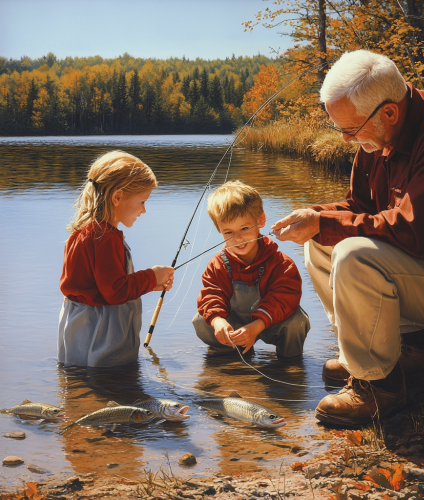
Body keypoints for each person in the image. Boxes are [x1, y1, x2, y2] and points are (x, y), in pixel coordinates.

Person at [272, 50, 424, 426]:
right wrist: (315, 216)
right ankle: (422, 349)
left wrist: (326, 224)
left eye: (350, 130)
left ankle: (378, 386)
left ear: (389, 112)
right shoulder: (380, 133)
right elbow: (359, 205)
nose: (345, 141)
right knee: (322, 239)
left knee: (354, 255)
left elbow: (414, 233)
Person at [58, 150, 175, 368]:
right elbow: (115, 291)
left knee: (80, 376)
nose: (144, 210)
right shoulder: (106, 238)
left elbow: (98, 286)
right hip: (102, 327)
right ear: (118, 197)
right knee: (111, 377)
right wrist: (152, 275)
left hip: (78, 323)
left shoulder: (83, 231)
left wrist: (149, 285)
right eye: (142, 201)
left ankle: (79, 401)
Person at [192, 180, 310, 358]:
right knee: (202, 320)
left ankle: (290, 366)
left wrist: (257, 326)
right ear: (219, 230)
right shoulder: (218, 264)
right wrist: (218, 321)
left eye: (244, 228)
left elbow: (284, 298)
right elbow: (211, 295)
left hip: (270, 323)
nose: (238, 238)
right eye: (229, 232)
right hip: (235, 326)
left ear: (261, 220)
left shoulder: (282, 264)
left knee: (297, 321)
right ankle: (230, 354)